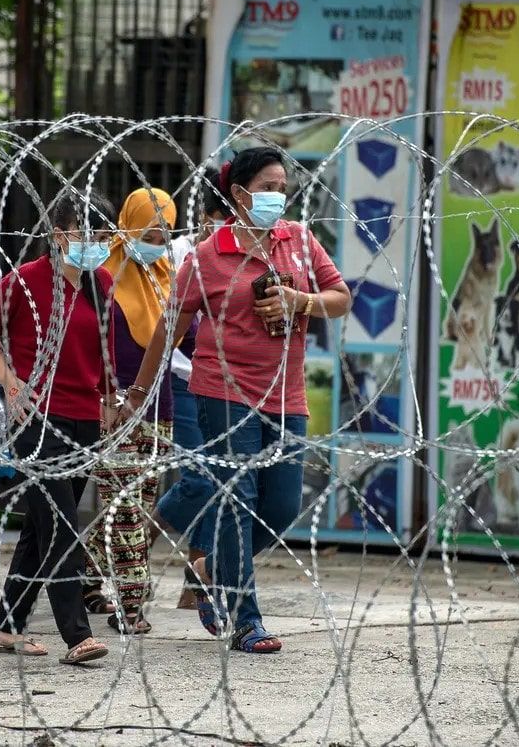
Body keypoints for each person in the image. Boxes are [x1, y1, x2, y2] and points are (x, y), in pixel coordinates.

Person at [120, 146, 351, 653]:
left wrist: (300, 301)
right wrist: (139, 389)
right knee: (238, 500)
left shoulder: (300, 240)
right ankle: (246, 619)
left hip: (286, 393)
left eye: (283, 187)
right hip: (223, 389)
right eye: (268, 187)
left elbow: (340, 298)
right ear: (240, 193)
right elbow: (171, 326)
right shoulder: (209, 254)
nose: (278, 196)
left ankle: (208, 569)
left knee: (283, 504)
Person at [0, 190, 116, 665]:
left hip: (84, 416)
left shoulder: (103, 284)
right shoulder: (27, 281)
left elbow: (104, 353)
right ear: (59, 235)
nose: (94, 242)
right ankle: (78, 635)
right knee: (61, 526)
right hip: (38, 417)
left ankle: (8, 626)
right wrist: (11, 382)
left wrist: (110, 399)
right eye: (84, 232)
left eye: (103, 233)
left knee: (43, 523)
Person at [81, 186, 176, 634]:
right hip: (113, 409)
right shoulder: (99, 273)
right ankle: (132, 605)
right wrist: (104, 397)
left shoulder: (168, 277)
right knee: (125, 512)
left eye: (166, 233)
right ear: (131, 225)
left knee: (138, 505)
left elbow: (187, 340)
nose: (157, 241)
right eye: (151, 232)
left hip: (161, 408)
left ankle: (81, 572)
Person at [155, 169, 227, 610]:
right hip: (182, 378)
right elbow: (166, 318)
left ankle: (194, 581)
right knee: (200, 479)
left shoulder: (245, 254)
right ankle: (142, 525)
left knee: (218, 481)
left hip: (224, 382)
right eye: (217, 216)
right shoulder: (179, 253)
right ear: (204, 215)